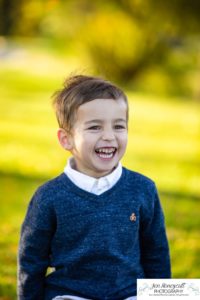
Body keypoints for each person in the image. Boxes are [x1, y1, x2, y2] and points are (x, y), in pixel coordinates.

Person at [18, 75, 171, 300]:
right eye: (94, 127)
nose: (109, 136)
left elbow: (156, 253)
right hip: (71, 294)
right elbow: (32, 260)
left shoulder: (143, 188)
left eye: (118, 126)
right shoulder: (49, 197)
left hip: (130, 293)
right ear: (66, 140)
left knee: (189, 292)